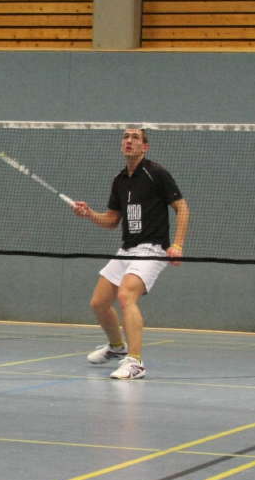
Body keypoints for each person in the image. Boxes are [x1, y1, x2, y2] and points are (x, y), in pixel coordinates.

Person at [69, 126, 189, 381]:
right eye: (125, 136)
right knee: (99, 303)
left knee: (126, 296)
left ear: (145, 147)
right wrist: (89, 214)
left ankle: (135, 362)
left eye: (135, 137)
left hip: (152, 248)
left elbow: (182, 208)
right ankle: (116, 347)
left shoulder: (156, 173)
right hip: (127, 249)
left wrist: (177, 245)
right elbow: (112, 220)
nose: (129, 140)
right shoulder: (119, 180)